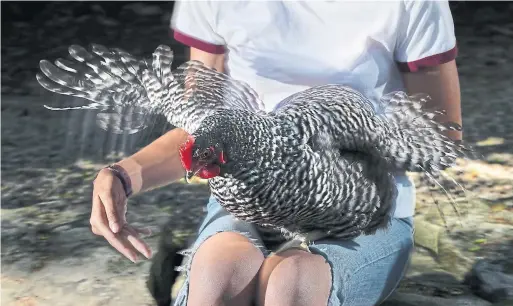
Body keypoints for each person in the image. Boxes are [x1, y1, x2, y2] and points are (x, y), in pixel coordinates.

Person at [89, 1, 462, 305]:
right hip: (247, 198)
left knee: (294, 282)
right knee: (219, 275)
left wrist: (352, 142)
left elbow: (440, 139)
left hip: (361, 206)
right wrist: (122, 175)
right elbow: (201, 131)